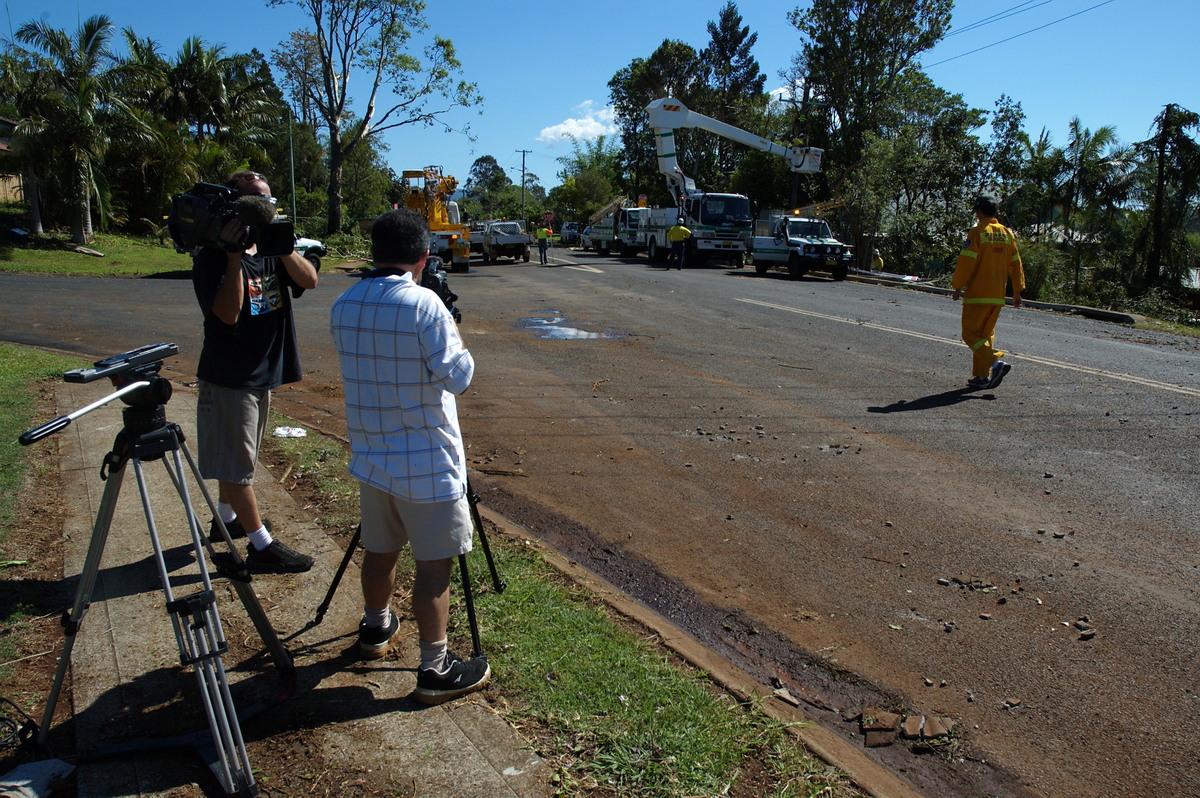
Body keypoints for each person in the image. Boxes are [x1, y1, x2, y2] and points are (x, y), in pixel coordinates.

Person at [329, 208, 490, 705]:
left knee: (379, 549)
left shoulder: (343, 303)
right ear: (424, 257)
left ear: (373, 252)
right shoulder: (425, 306)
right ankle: (434, 668)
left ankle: (376, 628)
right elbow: (459, 378)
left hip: (372, 455)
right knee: (434, 566)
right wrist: (448, 319)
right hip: (427, 463)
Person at [192, 169, 317, 573]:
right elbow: (227, 314)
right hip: (231, 375)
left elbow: (309, 280)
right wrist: (232, 258)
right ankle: (260, 546)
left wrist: (281, 248)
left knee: (241, 457)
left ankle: (225, 521)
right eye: (258, 201)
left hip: (261, 372)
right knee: (237, 464)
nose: (267, 208)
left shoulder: (271, 248)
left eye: (270, 201)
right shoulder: (212, 256)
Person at [952, 194, 1025, 389]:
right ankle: (981, 377)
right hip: (997, 297)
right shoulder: (1007, 234)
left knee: (969, 335)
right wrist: (1017, 291)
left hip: (977, 295)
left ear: (979, 211)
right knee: (984, 337)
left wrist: (958, 286)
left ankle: (996, 363)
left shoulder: (977, 232)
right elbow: (1016, 264)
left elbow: (966, 262)